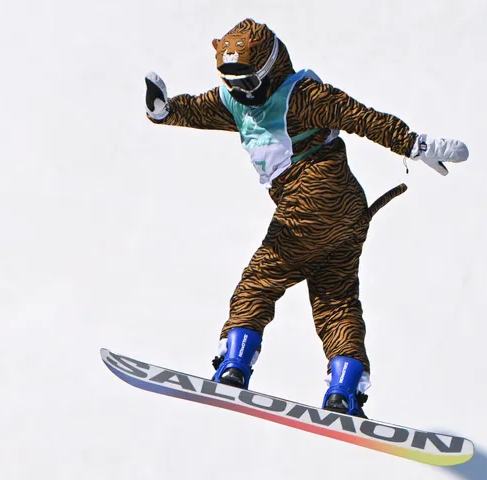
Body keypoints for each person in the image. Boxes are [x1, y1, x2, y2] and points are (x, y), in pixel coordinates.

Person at [144, 18, 469, 418]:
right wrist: (165, 111)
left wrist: (415, 144)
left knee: (260, 281)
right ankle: (345, 388)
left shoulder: (301, 94)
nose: (244, 93)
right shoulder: (233, 100)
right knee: (335, 299)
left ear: (271, 70)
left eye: (250, 82)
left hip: (311, 197)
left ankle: (234, 366)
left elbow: (360, 117)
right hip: (347, 210)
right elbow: (199, 108)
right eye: (234, 82)